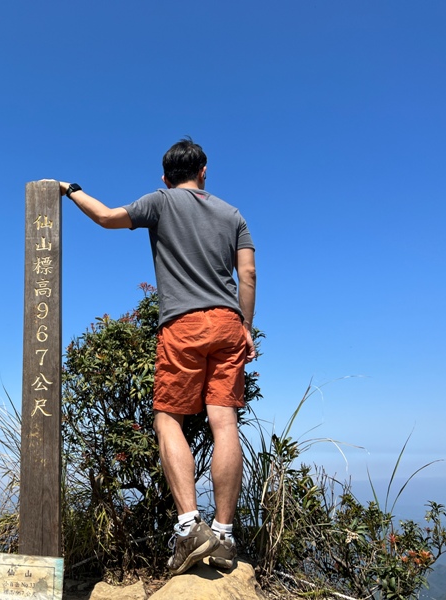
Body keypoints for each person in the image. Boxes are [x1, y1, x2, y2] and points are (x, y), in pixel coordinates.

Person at [54, 138, 256, 576]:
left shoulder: (160, 202)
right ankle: (224, 536)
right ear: (204, 171)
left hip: (183, 324)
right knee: (224, 422)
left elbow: (107, 217)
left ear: (165, 177)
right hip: (227, 322)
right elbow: (248, 273)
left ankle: (189, 528)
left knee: (168, 419)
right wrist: (245, 325)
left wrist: (71, 189)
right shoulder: (233, 215)